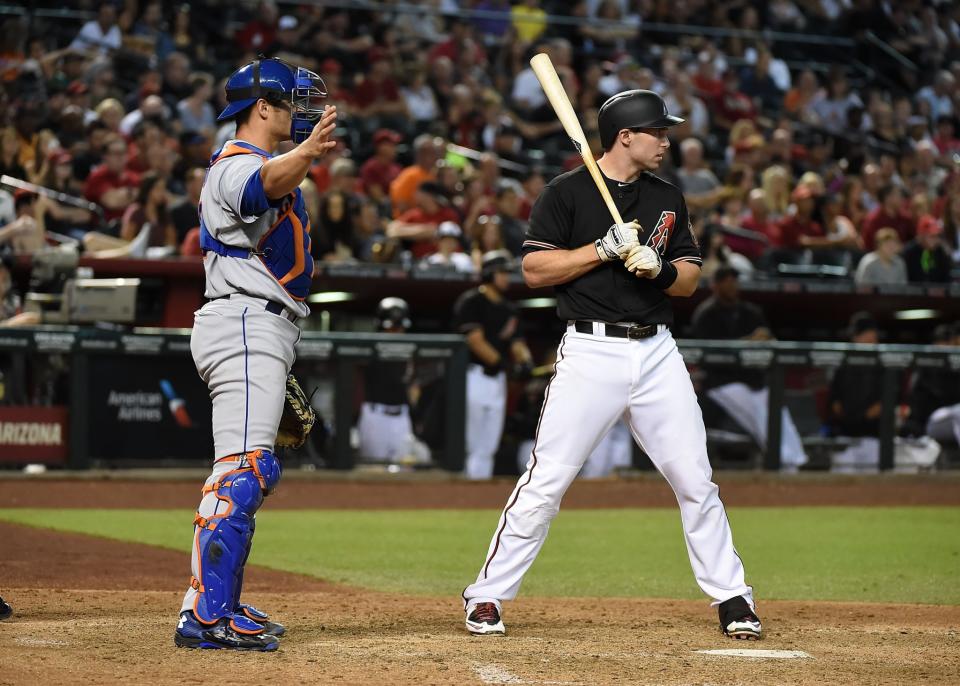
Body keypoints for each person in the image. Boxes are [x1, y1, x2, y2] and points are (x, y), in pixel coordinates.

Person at [461, 90, 762, 641]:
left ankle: (733, 596)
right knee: (547, 480)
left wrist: (660, 271)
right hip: (590, 351)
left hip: (657, 351)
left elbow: (691, 276)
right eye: (658, 132)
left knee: (696, 479)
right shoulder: (567, 192)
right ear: (626, 135)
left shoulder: (668, 196)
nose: (668, 141)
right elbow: (533, 269)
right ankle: (487, 596)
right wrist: (599, 250)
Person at [173, 56, 337, 652]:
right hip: (244, 323)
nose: (300, 112)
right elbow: (259, 189)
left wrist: (299, 160)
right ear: (261, 108)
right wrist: (307, 156)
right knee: (244, 471)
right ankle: (210, 617)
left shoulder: (266, 162)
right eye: (291, 103)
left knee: (240, 470)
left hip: (257, 327)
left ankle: (210, 604)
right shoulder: (237, 162)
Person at [689, 267, 808, 472]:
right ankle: (782, 460)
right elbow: (709, 354)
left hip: (753, 380)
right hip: (722, 382)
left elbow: (768, 339)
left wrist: (765, 338)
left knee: (777, 408)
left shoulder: (750, 312)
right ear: (715, 285)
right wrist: (747, 341)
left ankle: (796, 459)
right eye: (726, 281)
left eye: (734, 280)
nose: (732, 285)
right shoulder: (706, 313)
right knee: (758, 413)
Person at [453, 249, 533, 480]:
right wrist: (505, 364)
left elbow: (518, 343)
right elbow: (475, 341)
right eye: (502, 272)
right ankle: (465, 491)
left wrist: (525, 361)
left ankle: (480, 495)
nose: (507, 277)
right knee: (473, 440)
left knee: (489, 442)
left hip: (497, 380)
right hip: (475, 375)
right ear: (488, 274)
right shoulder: (472, 301)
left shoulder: (509, 308)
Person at [356, 297, 430, 465]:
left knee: (404, 468)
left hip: (402, 417)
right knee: (372, 466)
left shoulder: (410, 351)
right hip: (375, 416)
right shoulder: (368, 349)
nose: (397, 331)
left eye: (400, 327)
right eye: (392, 327)